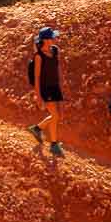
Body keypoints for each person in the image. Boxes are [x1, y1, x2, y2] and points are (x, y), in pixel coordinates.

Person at [28, 26, 66, 155]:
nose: (55, 38)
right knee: (54, 115)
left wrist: (61, 82)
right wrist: (38, 96)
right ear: (46, 40)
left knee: (59, 115)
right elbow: (37, 77)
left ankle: (37, 128)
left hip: (55, 86)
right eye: (53, 37)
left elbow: (57, 67)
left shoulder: (55, 50)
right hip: (45, 88)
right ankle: (54, 144)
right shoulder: (39, 56)